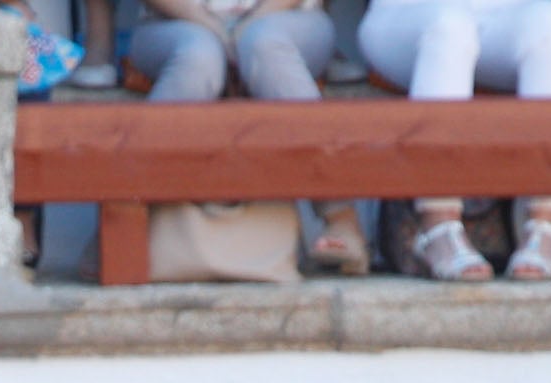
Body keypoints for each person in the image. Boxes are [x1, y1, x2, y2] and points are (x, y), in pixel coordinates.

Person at [128, 0, 370, 275]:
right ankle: (125, 211)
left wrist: (245, 29)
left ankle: (340, 216)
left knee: (263, 44)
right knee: (198, 57)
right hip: (173, 20)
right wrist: (212, 28)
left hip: (288, 15)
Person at [359, 0, 551, 280]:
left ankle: (544, 227)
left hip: (501, 12)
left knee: (550, 20)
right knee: (450, 25)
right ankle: (439, 227)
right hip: (404, 14)